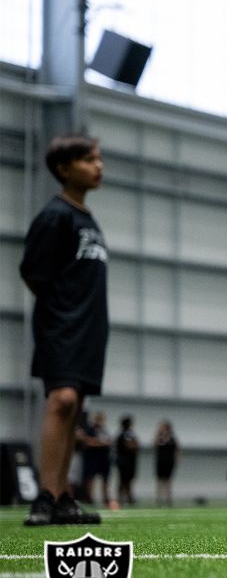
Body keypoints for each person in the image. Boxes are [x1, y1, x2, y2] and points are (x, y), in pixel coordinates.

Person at [21, 133, 110, 526]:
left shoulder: (87, 219)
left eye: (99, 159)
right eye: (89, 160)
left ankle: (62, 498)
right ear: (64, 168)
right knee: (61, 400)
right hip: (61, 327)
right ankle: (44, 496)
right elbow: (34, 272)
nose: (98, 166)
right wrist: (61, 314)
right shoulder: (55, 216)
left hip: (89, 331)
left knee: (75, 409)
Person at [79, 411, 112, 506]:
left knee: (105, 479)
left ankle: (106, 498)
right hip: (92, 458)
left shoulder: (104, 430)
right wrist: (101, 443)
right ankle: (89, 497)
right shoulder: (90, 429)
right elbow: (87, 441)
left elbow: (109, 440)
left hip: (104, 458)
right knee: (90, 478)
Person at [114, 415, 139, 506]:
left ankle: (128, 496)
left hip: (129, 460)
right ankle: (122, 497)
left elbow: (136, 444)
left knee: (128, 479)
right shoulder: (125, 434)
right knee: (123, 479)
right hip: (124, 460)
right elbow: (130, 445)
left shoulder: (129, 433)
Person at [154, 420, 179, 507]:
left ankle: (168, 499)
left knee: (168, 481)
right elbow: (154, 445)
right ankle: (159, 499)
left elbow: (176, 450)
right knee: (160, 481)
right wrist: (158, 434)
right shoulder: (159, 438)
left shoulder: (172, 438)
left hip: (169, 462)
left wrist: (176, 460)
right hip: (160, 461)